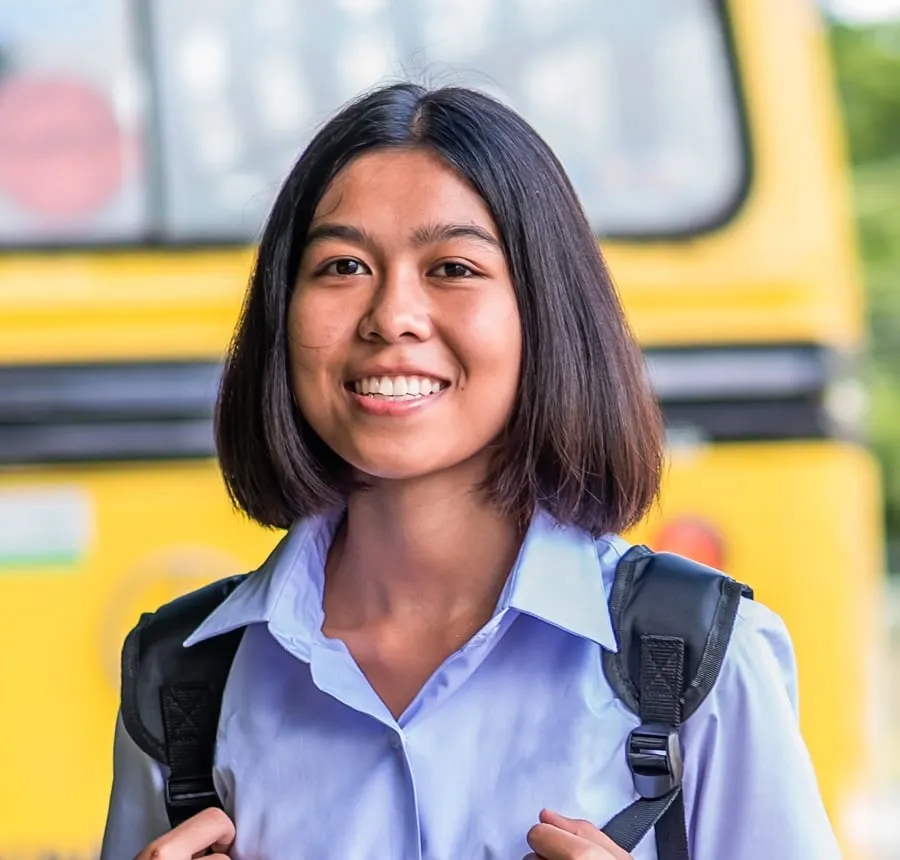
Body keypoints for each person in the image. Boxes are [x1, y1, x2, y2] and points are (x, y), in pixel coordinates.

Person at [100, 82, 841, 860]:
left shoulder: (694, 660)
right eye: (343, 265)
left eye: (453, 267)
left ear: (545, 313)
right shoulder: (185, 680)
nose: (392, 316)